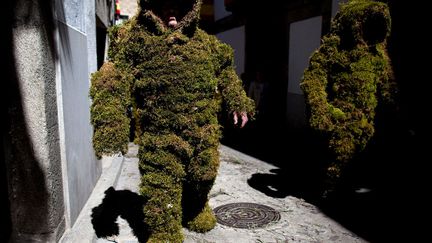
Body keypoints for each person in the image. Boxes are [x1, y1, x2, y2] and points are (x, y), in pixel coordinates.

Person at [89, 0, 255, 242]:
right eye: (164, 6)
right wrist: (111, 123)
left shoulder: (206, 43)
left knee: (204, 174)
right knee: (161, 185)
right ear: (151, 9)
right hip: (160, 135)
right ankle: (164, 233)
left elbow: (226, 71)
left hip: (203, 130)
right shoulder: (134, 39)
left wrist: (238, 99)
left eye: (177, 7)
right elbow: (113, 76)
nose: (171, 14)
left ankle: (194, 208)